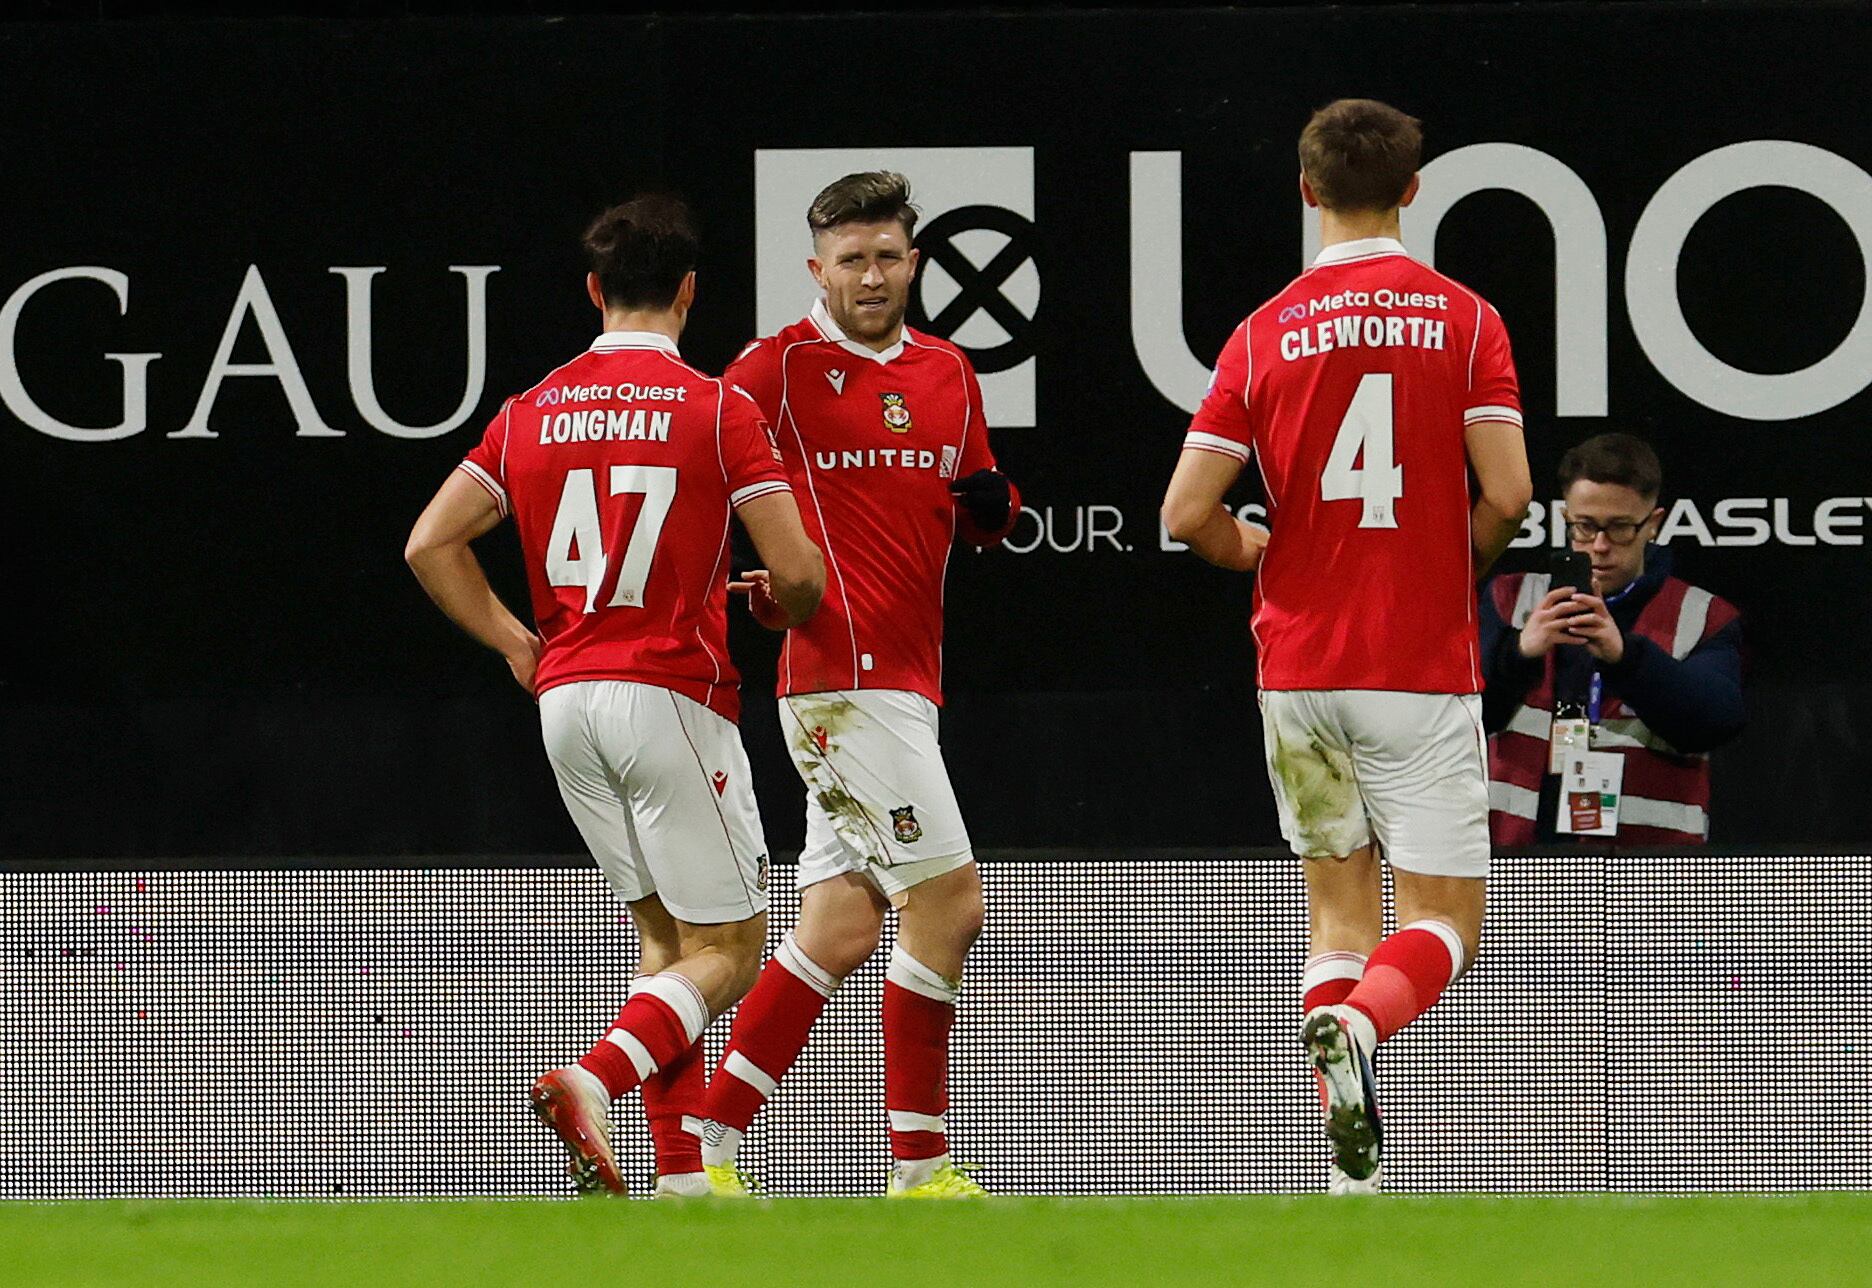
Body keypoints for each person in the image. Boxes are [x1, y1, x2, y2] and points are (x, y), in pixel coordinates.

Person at [403, 195, 824, 1197]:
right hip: (668, 692)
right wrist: (780, 603)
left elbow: (429, 542)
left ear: (594, 291)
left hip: (567, 702)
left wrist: (517, 643)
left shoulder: (531, 410)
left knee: (666, 941)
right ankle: (592, 1080)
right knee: (732, 947)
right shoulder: (717, 408)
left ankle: (680, 1178)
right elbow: (801, 575)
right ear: (690, 292)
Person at [1160, 99, 1531, 1193]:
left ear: (1307, 190)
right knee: (1445, 918)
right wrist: (1446, 567)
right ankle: (1363, 1026)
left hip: (1298, 668)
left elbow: (1185, 513)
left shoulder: (1262, 331)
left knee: (1337, 912)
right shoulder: (1466, 319)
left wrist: (1250, 549)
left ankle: (1349, 1178)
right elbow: (1509, 492)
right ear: (1413, 190)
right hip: (1414, 660)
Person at [697, 171, 1020, 1199]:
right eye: (851, 260)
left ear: (914, 262)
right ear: (816, 268)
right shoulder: (773, 369)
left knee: (839, 926)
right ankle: (919, 1167)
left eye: (886, 257)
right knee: (951, 903)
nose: (871, 277)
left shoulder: (949, 369)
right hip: (839, 678)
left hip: (909, 678)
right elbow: (699, 475)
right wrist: (747, 581)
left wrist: (993, 508)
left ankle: (707, 1148)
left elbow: (975, 508)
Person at [1480, 433, 1744, 844]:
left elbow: (1713, 724)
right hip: (1516, 858)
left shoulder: (1703, 615)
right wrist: (1518, 653)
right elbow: (1456, 722)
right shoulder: (1510, 598)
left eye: (1620, 528)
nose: (1600, 546)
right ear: (1566, 517)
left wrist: (1626, 658)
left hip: (1649, 866)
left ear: (1652, 524)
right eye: (1585, 526)